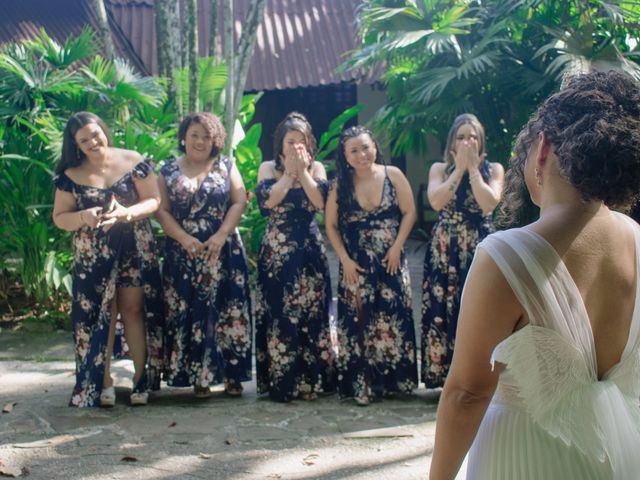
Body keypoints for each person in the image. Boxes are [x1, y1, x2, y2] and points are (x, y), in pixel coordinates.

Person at [430, 70, 640, 479]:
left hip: (522, 458)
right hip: (615, 456)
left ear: (542, 148)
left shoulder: (504, 255)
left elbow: (467, 394)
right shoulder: (635, 240)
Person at [52, 112, 164, 407]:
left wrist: (127, 213)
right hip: (93, 256)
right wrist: (82, 216)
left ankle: (141, 379)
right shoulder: (70, 176)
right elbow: (60, 218)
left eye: (95, 134)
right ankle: (104, 382)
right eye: (83, 140)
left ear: (103, 130)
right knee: (103, 314)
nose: (92, 142)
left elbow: (154, 200)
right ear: (75, 145)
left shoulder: (132, 160)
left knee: (133, 309)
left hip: (134, 248)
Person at [157, 112, 252, 398]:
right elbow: (161, 210)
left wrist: (222, 235)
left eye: (206, 136)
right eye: (194, 135)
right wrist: (184, 238)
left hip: (223, 251)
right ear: (183, 137)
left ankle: (233, 375)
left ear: (216, 140)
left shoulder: (226, 165)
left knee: (228, 309)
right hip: (183, 251)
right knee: (188, 312)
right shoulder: (167, 170)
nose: (200, 141)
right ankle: (199, 376)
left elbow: (239, 201)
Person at [325, 125, 418, 405]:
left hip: (390, 259)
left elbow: (409, 211)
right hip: (355, 263)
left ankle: (393, 382)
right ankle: (361, 385)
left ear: (374, 147)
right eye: (354, 150)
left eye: (365, 147)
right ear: (345, 155)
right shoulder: (339, 184)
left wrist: (397, 246)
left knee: (393, 316)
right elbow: (330, 225)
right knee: (358, 321)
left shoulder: (394, 175)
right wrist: (344, 259)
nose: (362, 154)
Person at [255, 112, 336, 402]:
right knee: (279, 312)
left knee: (312, 312)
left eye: (302, 143)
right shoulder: (268, 167)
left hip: (309, 247)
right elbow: (268, 202)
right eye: (291, 142)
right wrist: (289, 173)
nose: (296, 148)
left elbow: (321, 202)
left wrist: (302, 172)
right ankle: (282, 382)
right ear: (280, 145)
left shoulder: (318, 169)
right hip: (277, 248)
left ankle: (311, 381)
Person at [421, 113, 504, 389]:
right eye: (461, 137)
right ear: (451, 143)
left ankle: (479, 375)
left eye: (472, 137)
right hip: (446, 247)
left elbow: (489, 203)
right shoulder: (439, 169)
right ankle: (444, 377)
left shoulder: (494, 170)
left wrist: (472, 171)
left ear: (481, 143)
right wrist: (458, 169)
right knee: (443, 307)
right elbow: (436, 201)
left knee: (480, 309)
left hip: (480, 246)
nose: (467, 141)